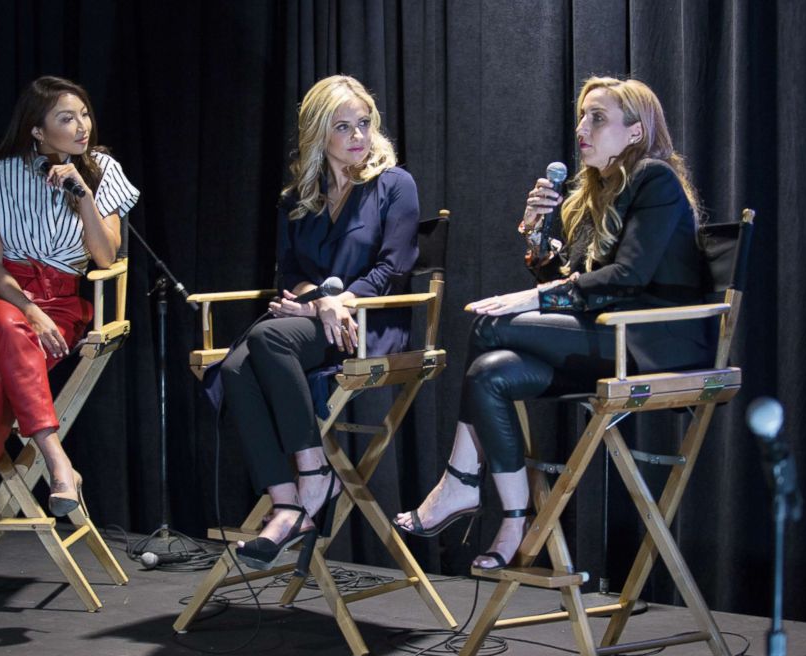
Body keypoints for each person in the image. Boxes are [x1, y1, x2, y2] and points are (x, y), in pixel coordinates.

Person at [394, 76, 710, 570]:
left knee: (490, 326)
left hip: (650, 344)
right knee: (489, 372)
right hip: (605, 338)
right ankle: (515, 517)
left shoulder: (654, 179)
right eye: (582, 117)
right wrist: (539, 239)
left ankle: (460, 482)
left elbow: (626, 277)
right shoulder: (595, 191)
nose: (582, 128)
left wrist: (533, 296)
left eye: (598, 118)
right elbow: (576, 281)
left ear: (634, 132)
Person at [221, 75, 420, 570]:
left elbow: (393, 268)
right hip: (312, 323)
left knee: (267, 338)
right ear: (318, 134)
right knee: (233, 369)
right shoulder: (298, 198)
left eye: (364, 123)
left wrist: (334, 303)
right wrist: (317, 302)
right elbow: (289, 273)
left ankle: (314, 477)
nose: (359, 135)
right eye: (343, 126)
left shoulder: (394, 184)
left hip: (370, 322)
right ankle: (288, 503)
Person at [0, 76, 139, 521]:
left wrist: (83, 194)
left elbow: (104, 255)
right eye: (66, 118)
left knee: (5, 372)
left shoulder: (101, 170)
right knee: (12, 327)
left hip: (63, 302)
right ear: (37, 130)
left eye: (84, 115)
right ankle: (59, 461)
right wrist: (30, 310)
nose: (82, 127)